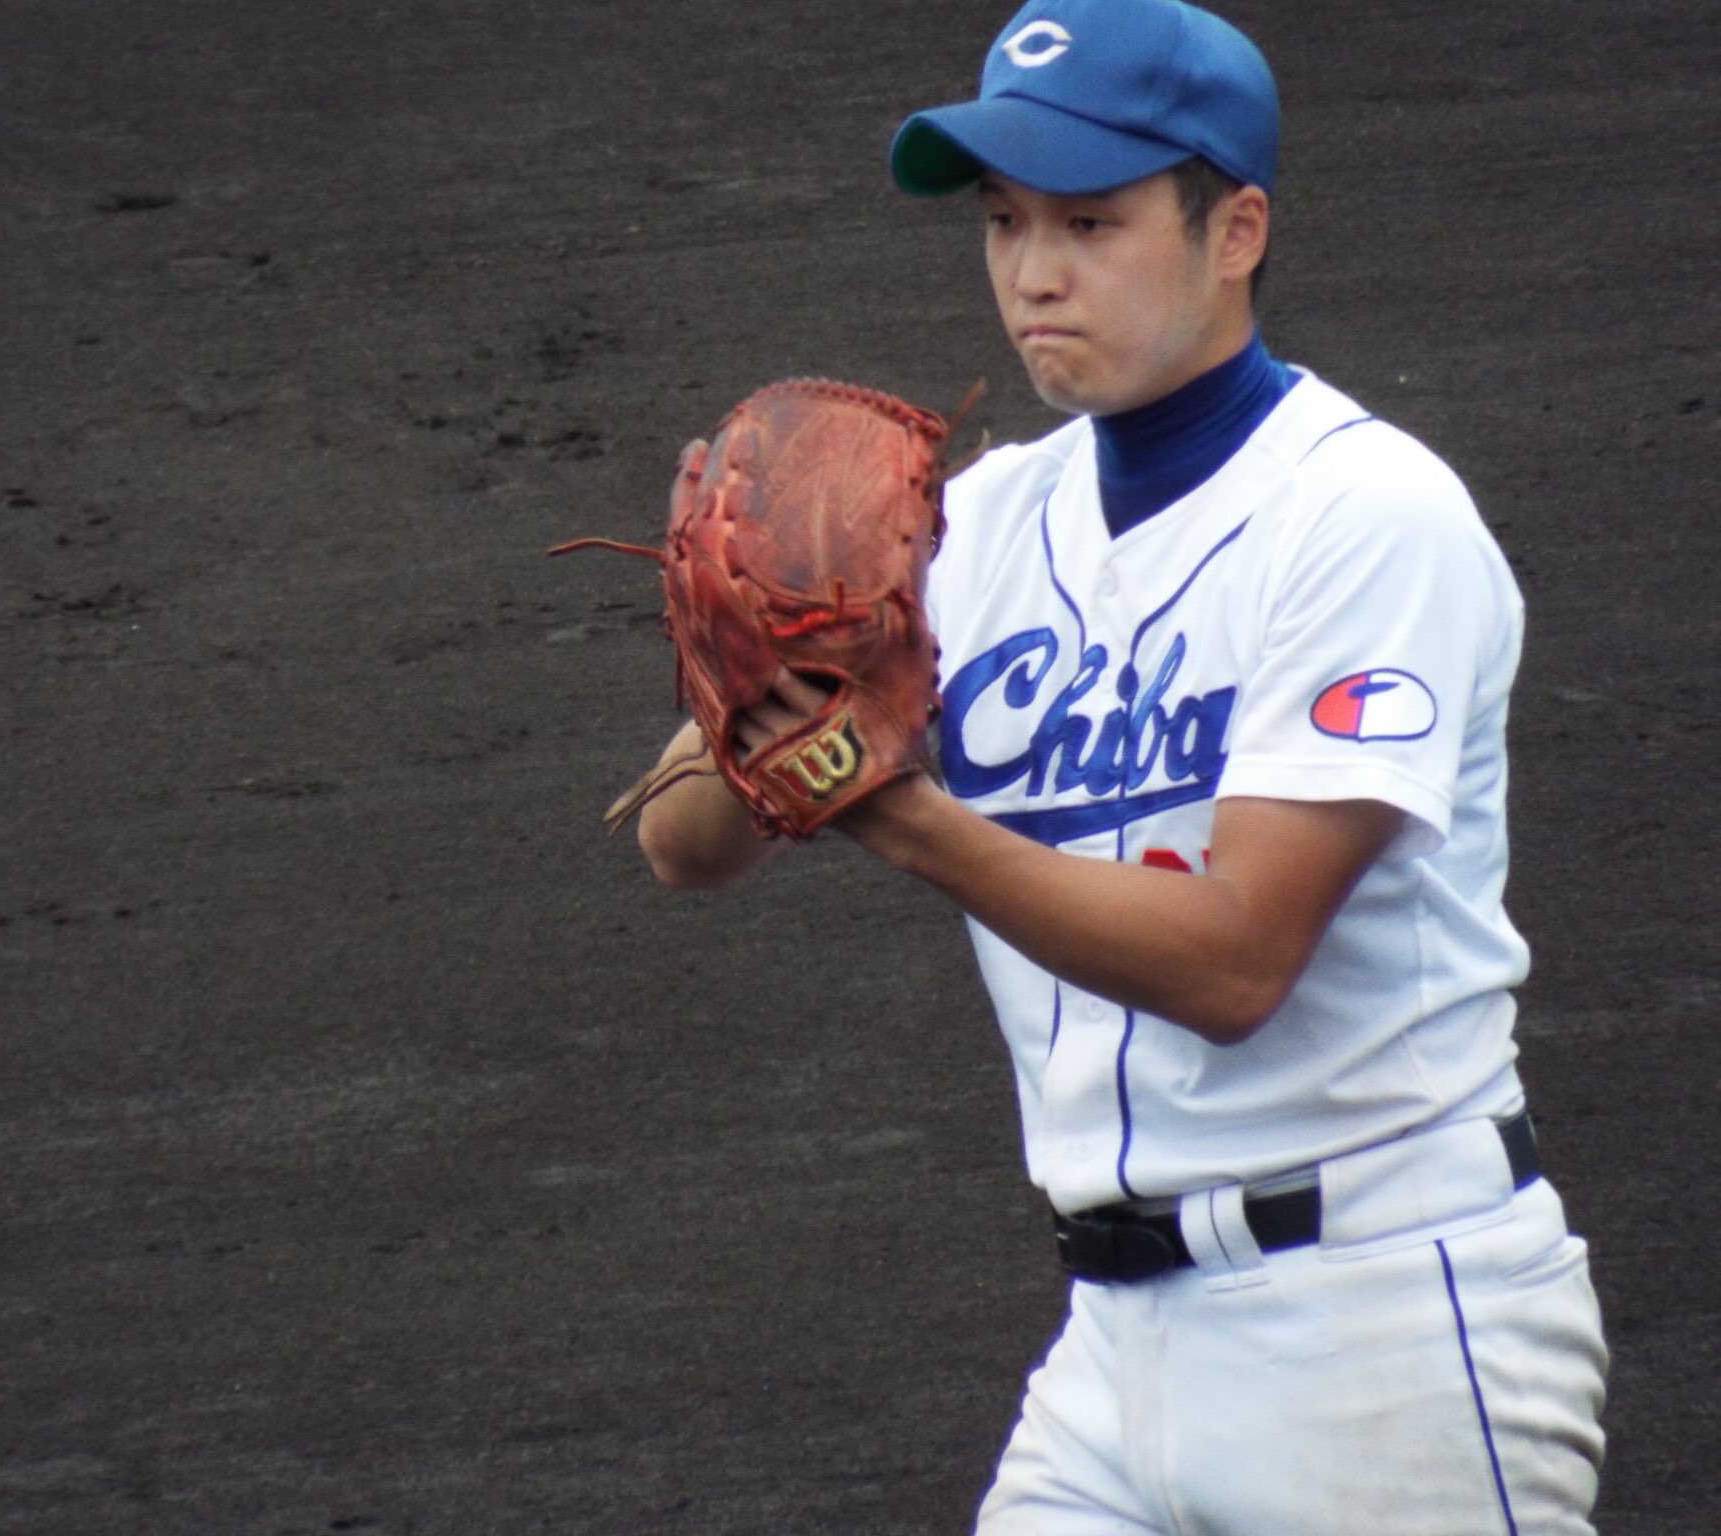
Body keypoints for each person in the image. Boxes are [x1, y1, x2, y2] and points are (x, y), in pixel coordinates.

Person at [631, 1, 1609, 1532]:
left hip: (1383, 1332)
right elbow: (684, 849)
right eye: (1004, 221)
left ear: (1236, 232)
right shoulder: (972, 529)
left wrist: (896, 812)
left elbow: (1235, 961)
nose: (1033, 272)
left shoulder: (1366, 519)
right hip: (1109, 1348)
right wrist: (750, 681)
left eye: (1089, 221)